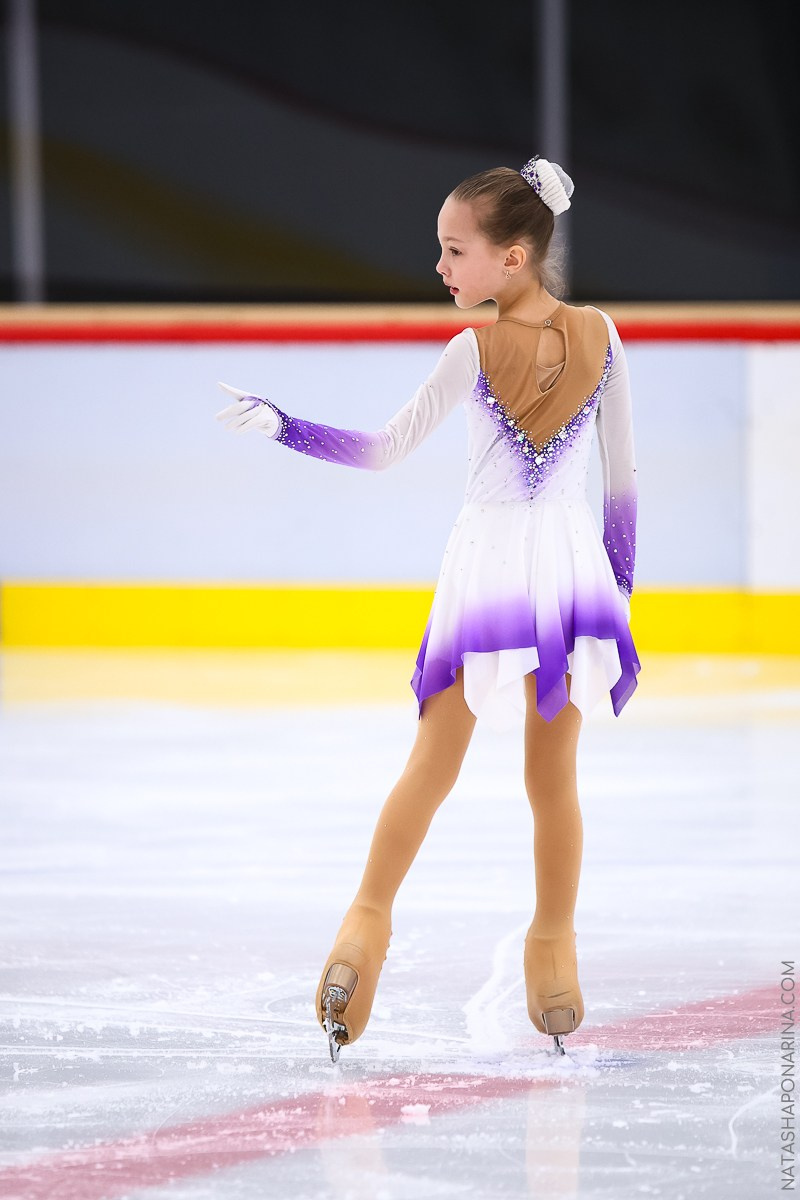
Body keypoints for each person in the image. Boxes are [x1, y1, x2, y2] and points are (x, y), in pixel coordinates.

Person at [216, 155, 640, 1060]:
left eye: (456, 251)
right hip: (570, 578)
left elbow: (382, 451)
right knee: (551, 779)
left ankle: (365, 924)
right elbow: (623, 487)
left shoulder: (472, 349)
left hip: (487, 571)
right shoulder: (604, 336)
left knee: (432, 763)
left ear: (514, 258)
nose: (442, 268)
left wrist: (285, 426)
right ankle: (552, 952)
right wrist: (619, 594)